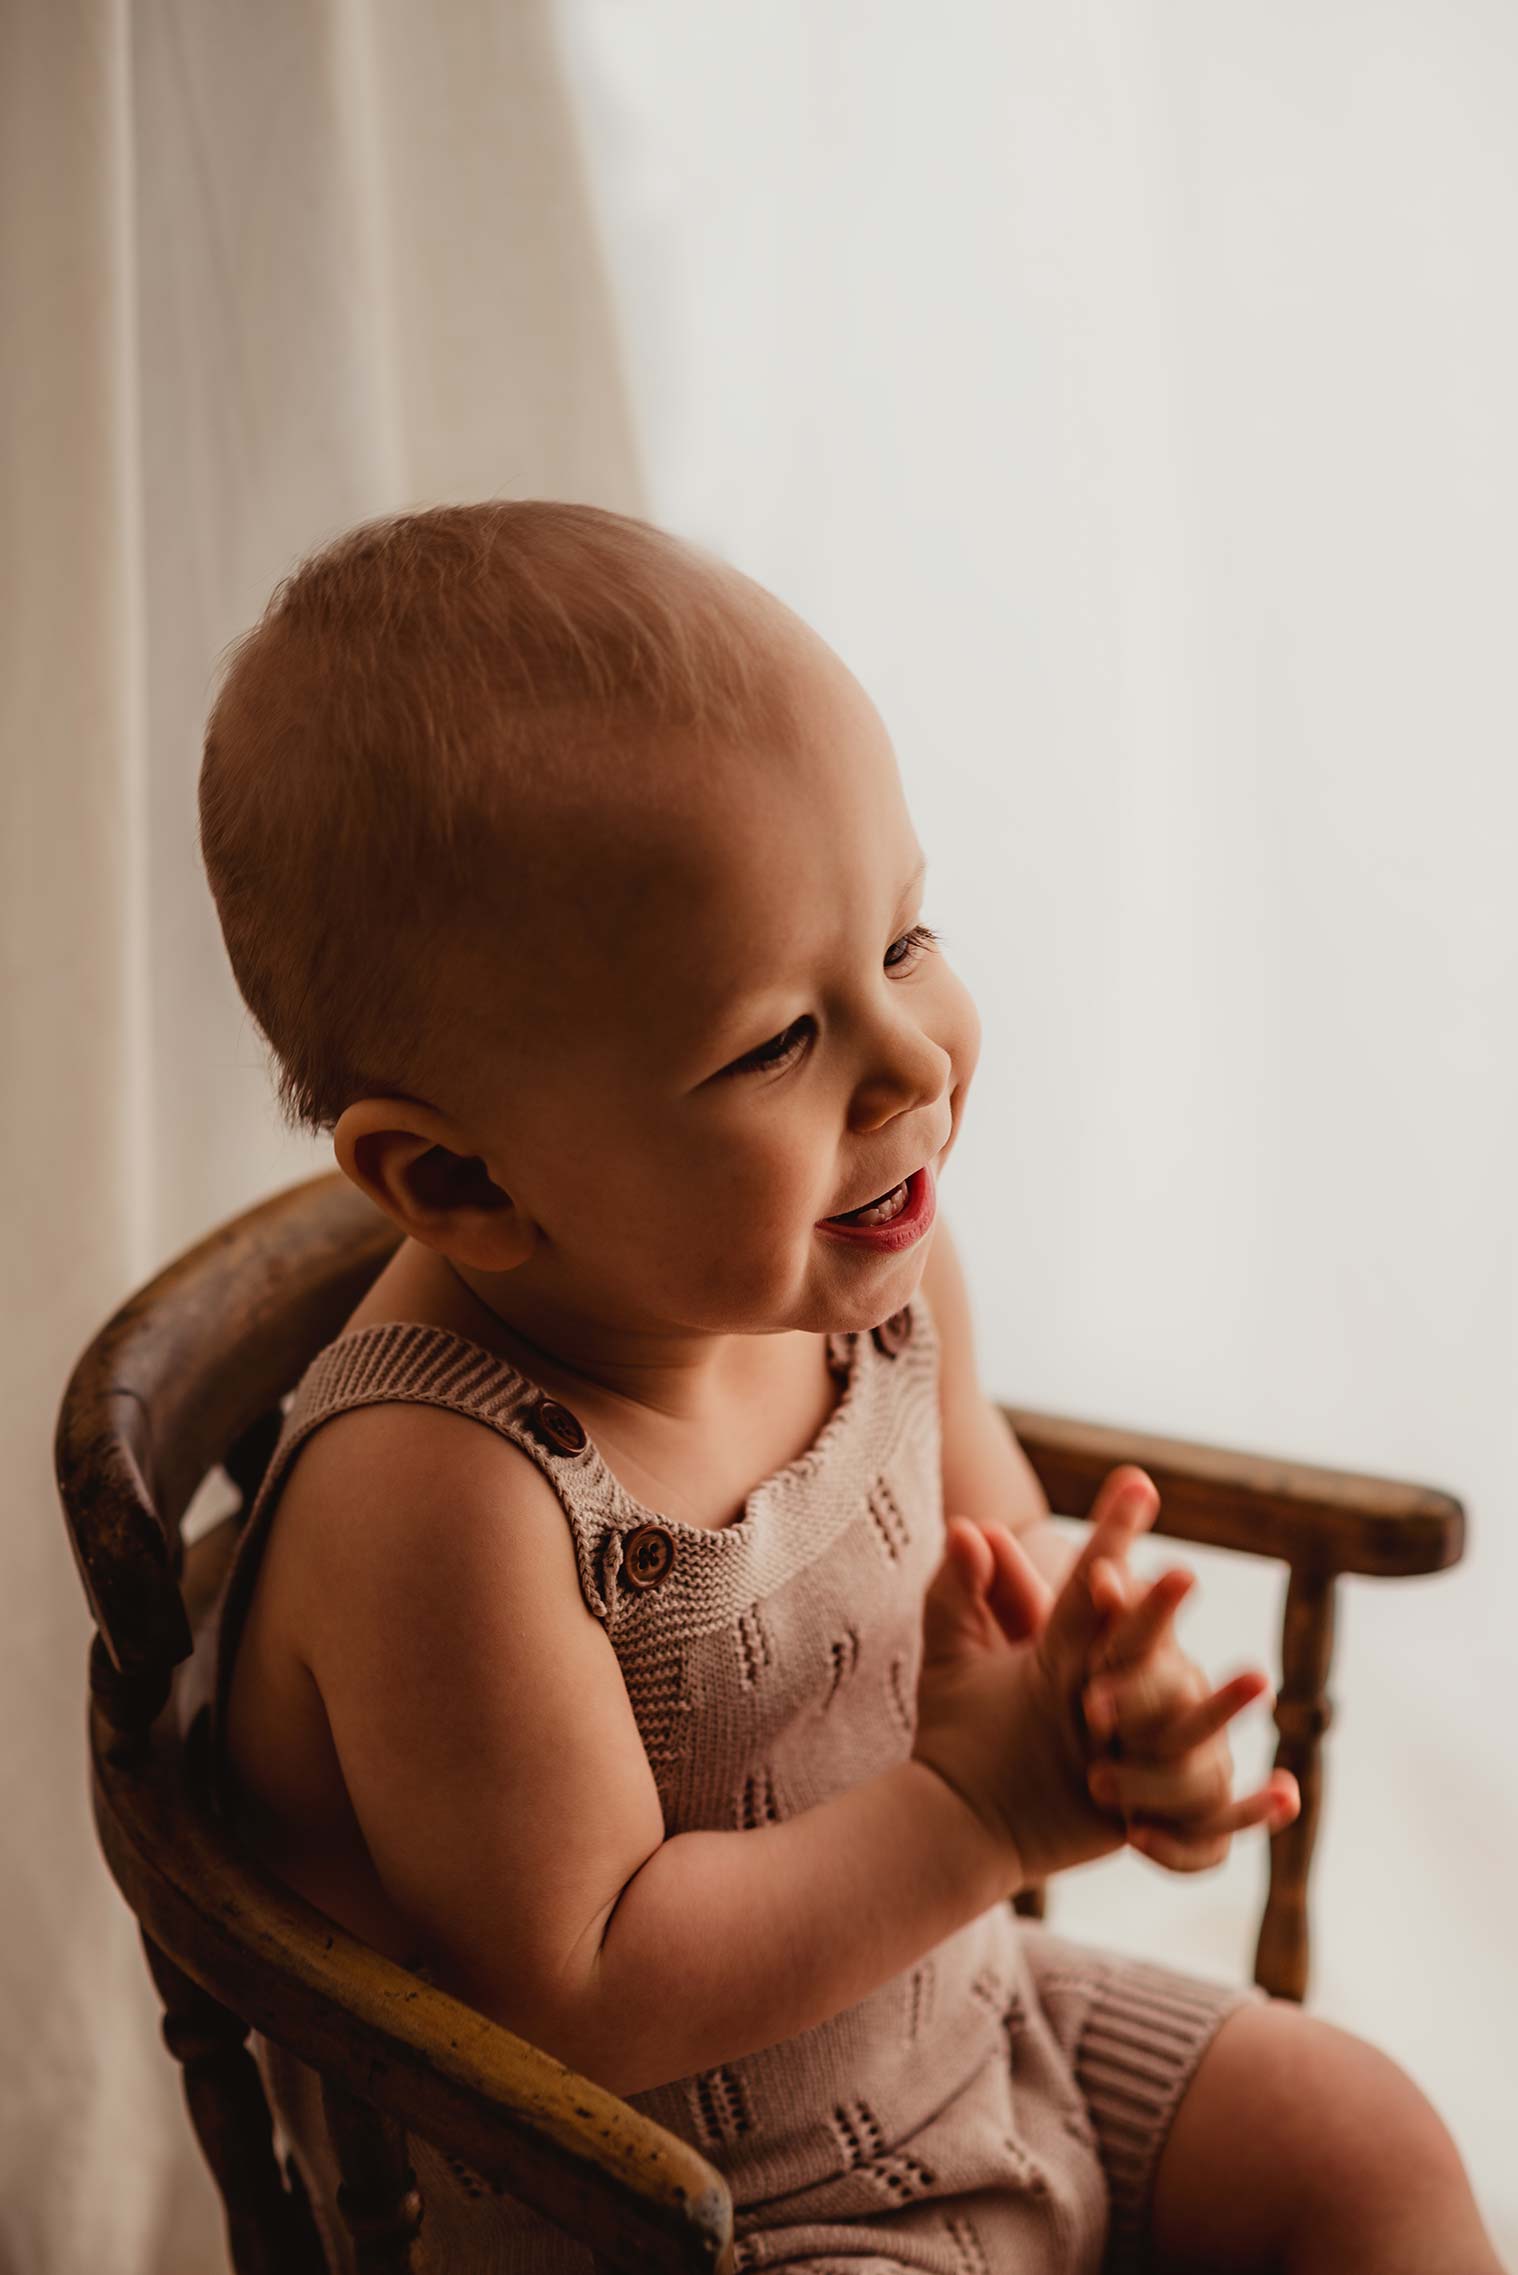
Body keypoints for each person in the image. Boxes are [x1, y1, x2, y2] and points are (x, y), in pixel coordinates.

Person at [199, 500, 1502, 2273]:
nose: (910, 1061)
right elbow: (585, 1985)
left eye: (900, 941)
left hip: (970, 2025)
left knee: (1358, 2138)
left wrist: (1114, 1724)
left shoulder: (862, 1271)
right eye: (775, 1041)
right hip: (683, 2220)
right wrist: (976, 1813)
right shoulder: (437, 1499)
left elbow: (995, 1587)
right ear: (464, 1188)